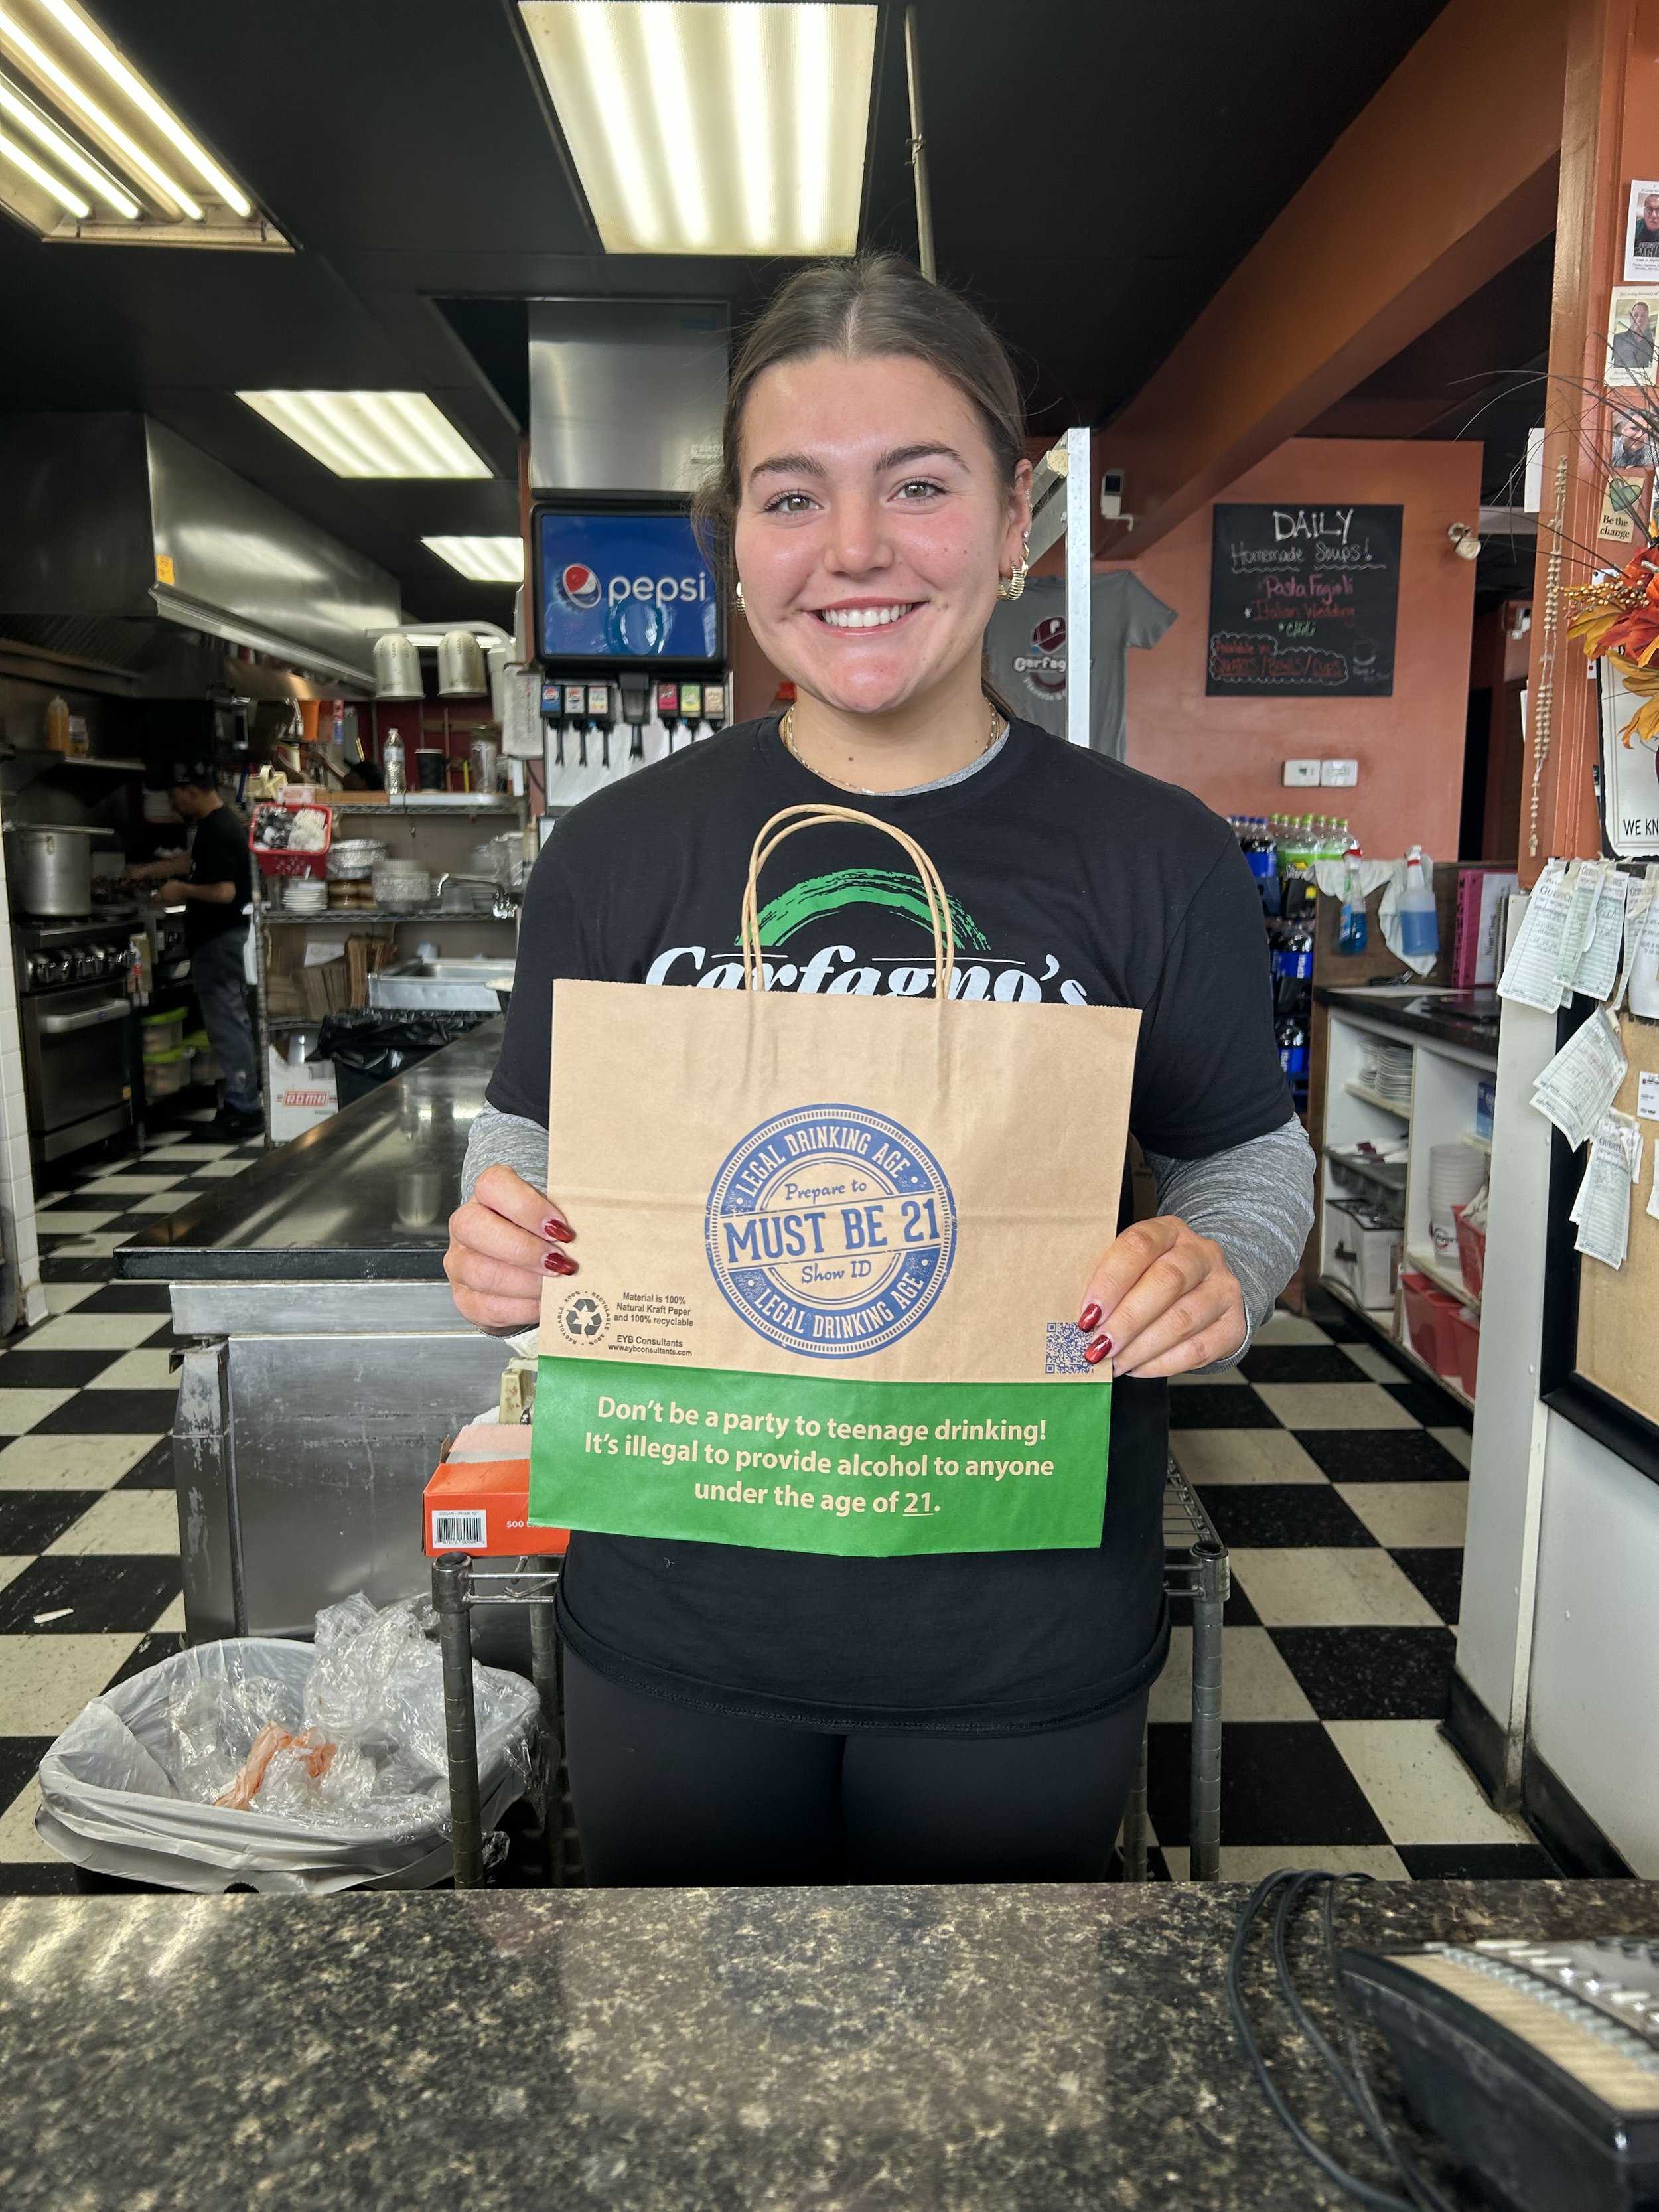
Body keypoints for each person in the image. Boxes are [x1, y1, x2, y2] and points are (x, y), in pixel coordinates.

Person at [444, 254, 1314, 1887]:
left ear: (1011, 526)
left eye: (917, 486)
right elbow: (531, 1133)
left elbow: (1247, 1160)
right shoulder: (619, 855)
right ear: (737, 546)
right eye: (793, 498)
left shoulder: (1156, 858)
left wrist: (1221, 1263)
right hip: (677, 1614)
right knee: (689, 2103)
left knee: (983, 2122)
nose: (852, 550)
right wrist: (501, 1230)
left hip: (1017, 1635)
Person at [126, 761, 261, 1138]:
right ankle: (242, 1103)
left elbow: (225, 892)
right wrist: (149, 872)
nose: (172, 806)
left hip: (221, 941)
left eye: (173, 797)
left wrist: (179, 891)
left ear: (190, 790)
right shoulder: (217, 826)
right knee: (230, 1022)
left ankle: (244, 1108)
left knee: (227, 1024)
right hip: (223, 940)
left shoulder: (217, 828)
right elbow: (194, 862)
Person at [1612, 299, 1654, 375]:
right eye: (1636, 315)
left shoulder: (1652, 343)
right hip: (1618, 384)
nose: (1639, 319)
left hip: (1643, 385)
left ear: (1647, 319)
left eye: (1643, 316)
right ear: (1631, 317)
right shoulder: (1616, 339)